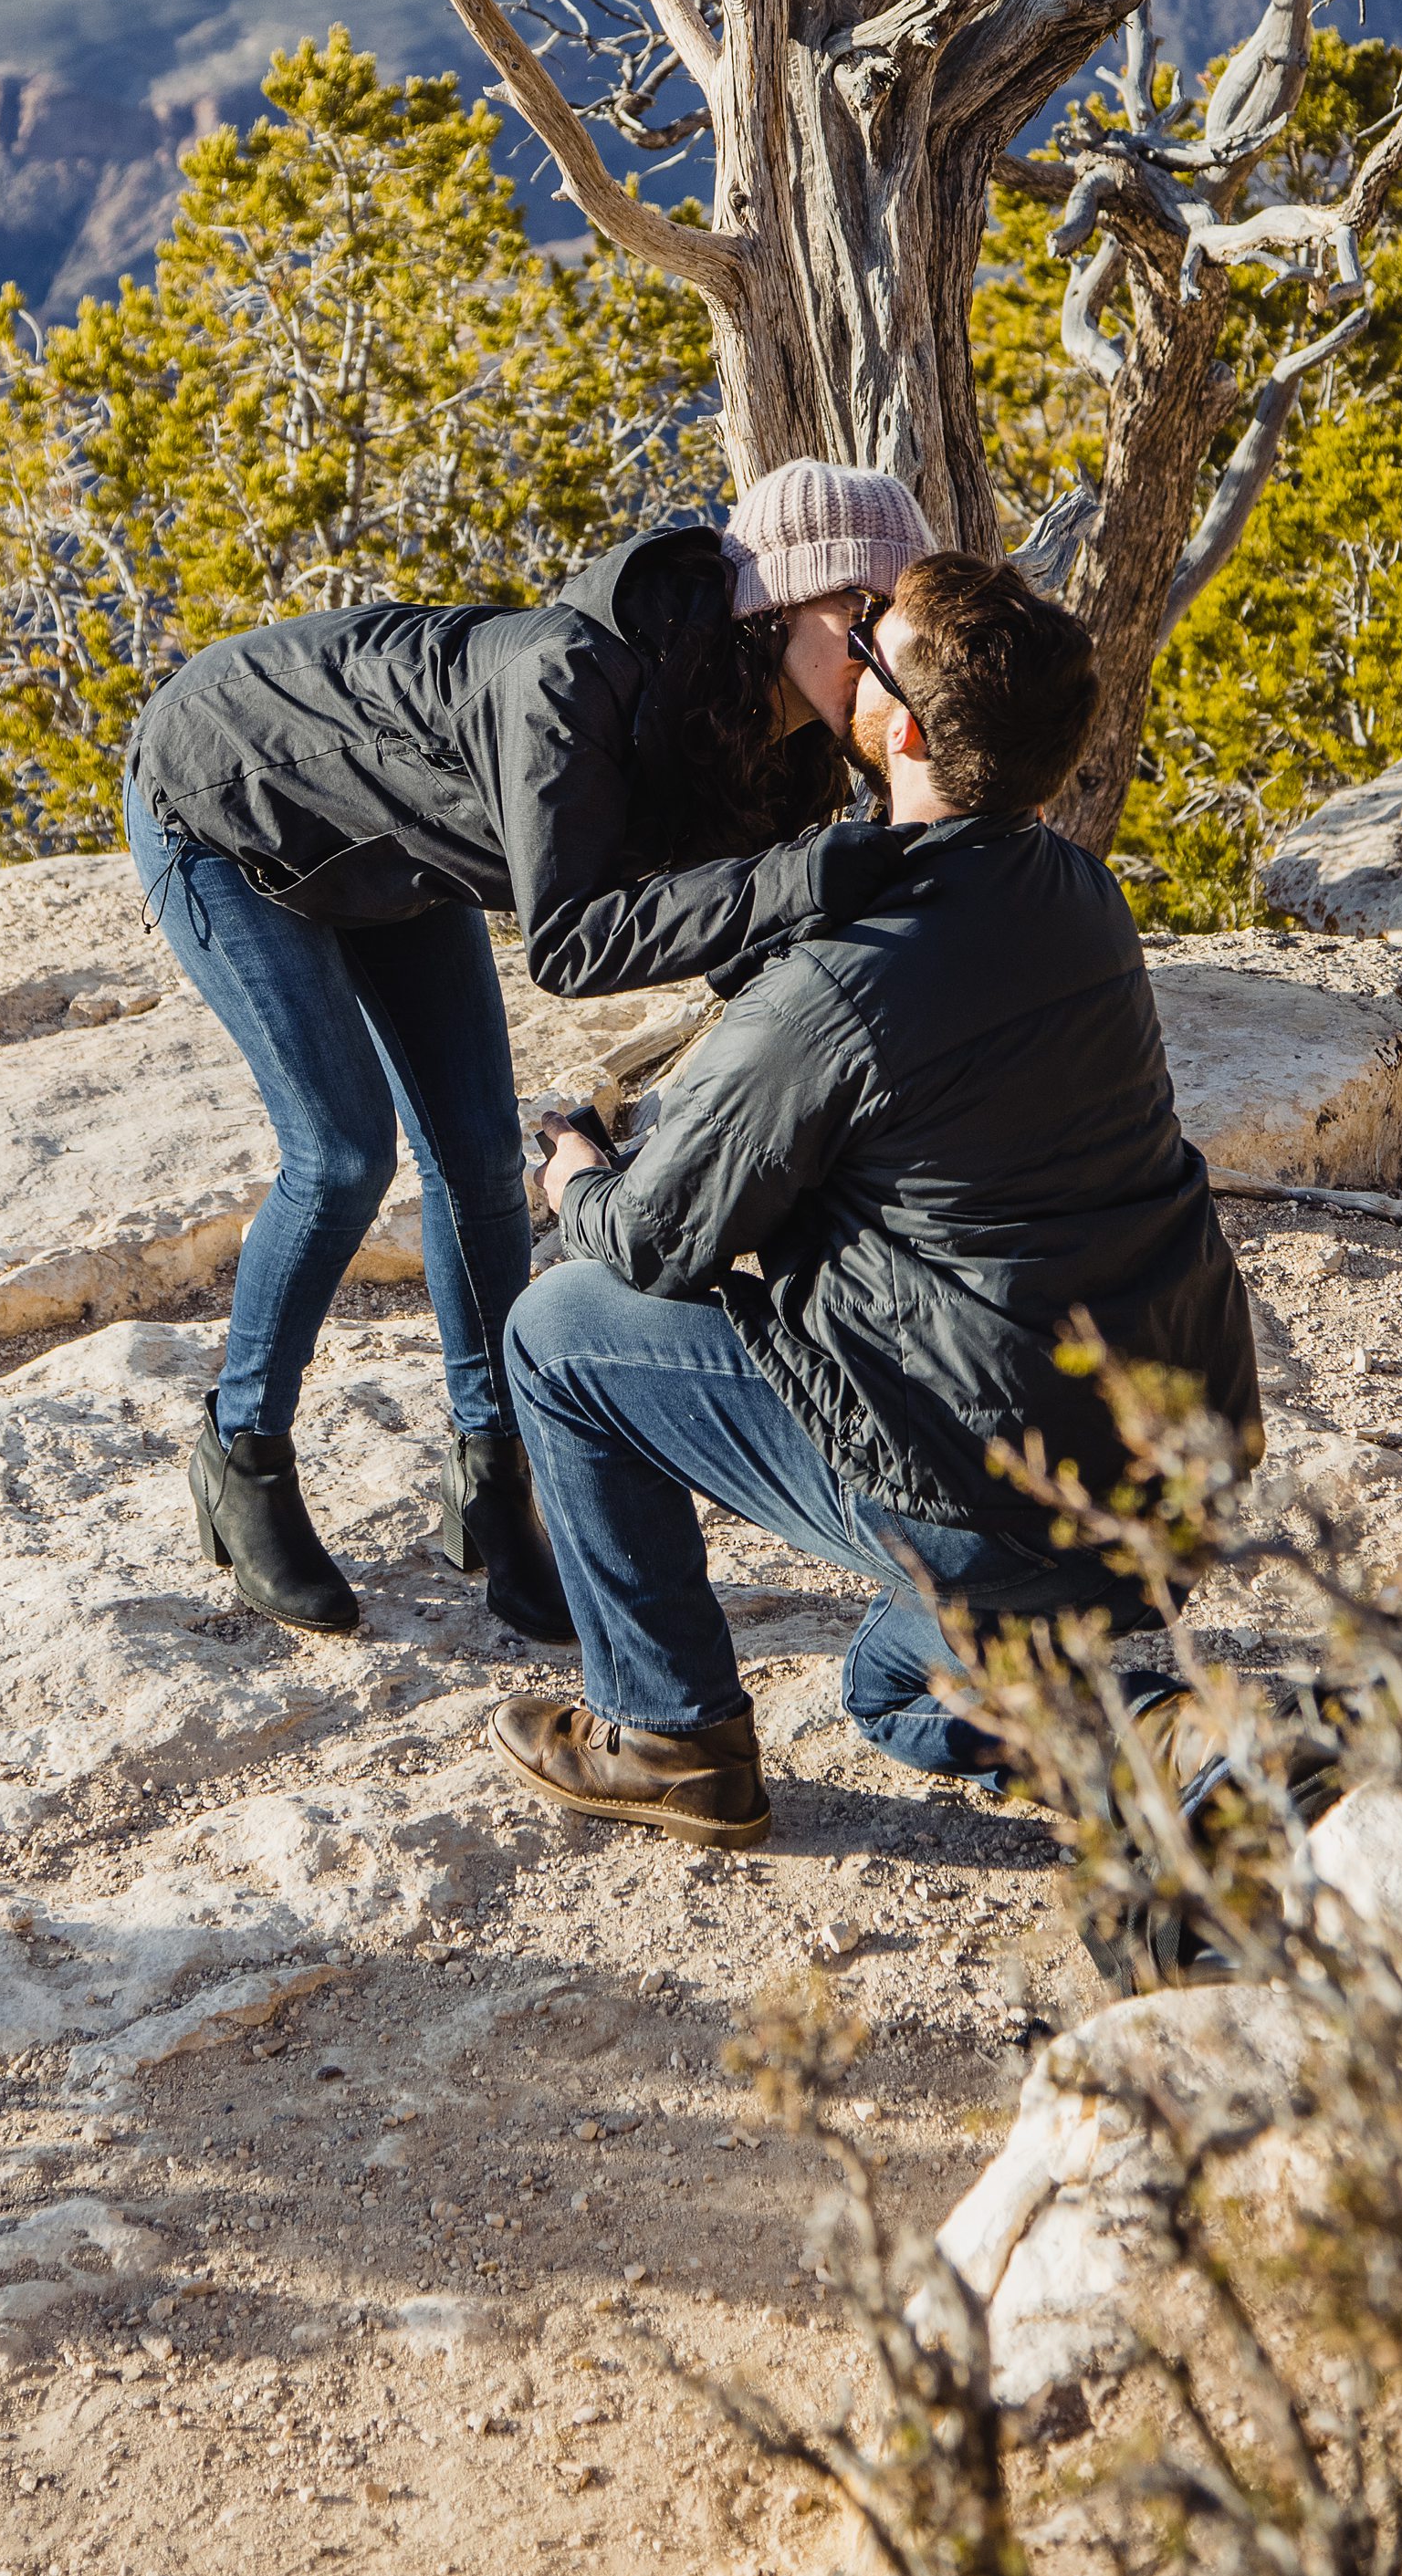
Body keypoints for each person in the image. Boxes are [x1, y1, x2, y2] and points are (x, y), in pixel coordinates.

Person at [487, 550, 1262, 1851]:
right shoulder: (1077, 893)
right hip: (1172, 1463)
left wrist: (578, 1174)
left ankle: (667, 1736)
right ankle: (1226, 1740)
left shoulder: (841, 984)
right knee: (905, 1675)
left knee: (560, 1332)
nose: (844, 644)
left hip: (992, 1485)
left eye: (870, 641)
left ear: (901, 728)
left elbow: (657, 1242)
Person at [123, 460, 934, 1645]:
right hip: (227, 800)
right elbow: (573, 938)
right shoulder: (574, 678)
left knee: (474, 1166)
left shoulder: (780, 727)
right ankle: (240, 1456)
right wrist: (807, 880)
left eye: (896, 628)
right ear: (783, 607)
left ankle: (496, 1491)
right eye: (863, 624)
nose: (883, 661)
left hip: (405, 848)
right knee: (344, 1153)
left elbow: (743, 931)